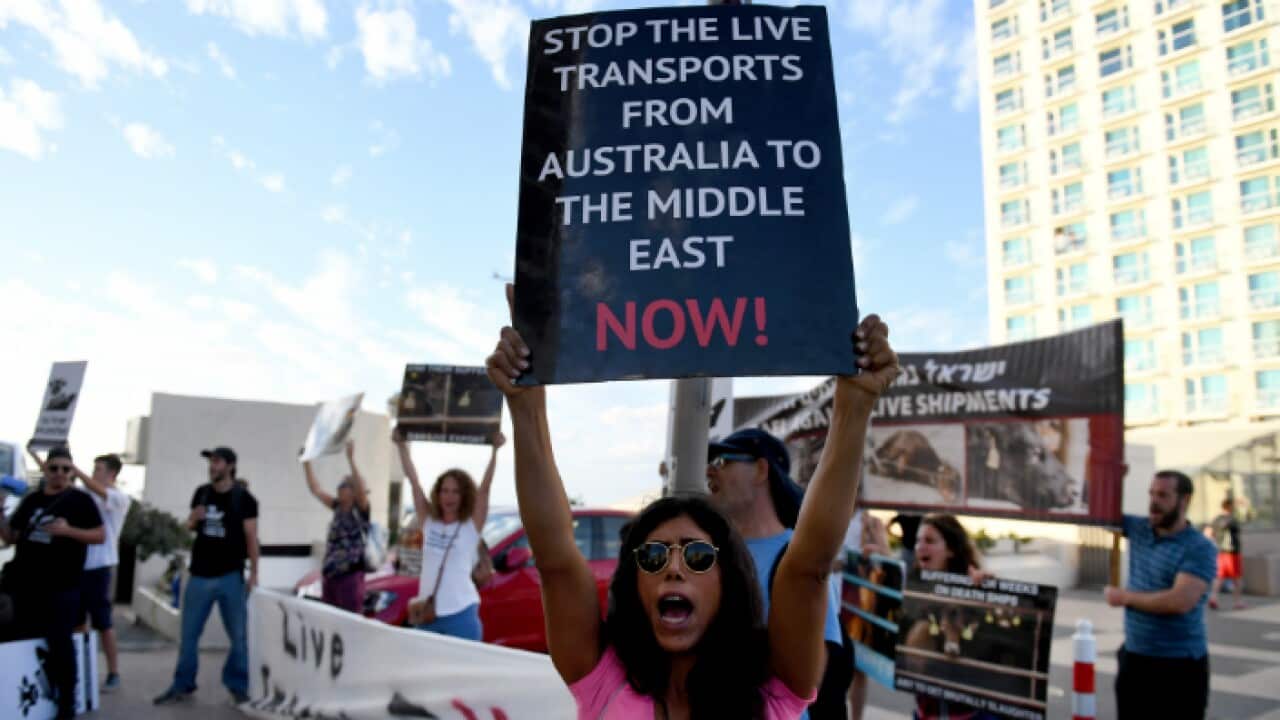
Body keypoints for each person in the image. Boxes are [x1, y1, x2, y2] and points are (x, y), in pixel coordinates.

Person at [486, 284, 898, 718]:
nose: (674, 568)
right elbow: (554, 560)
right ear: (635, 584)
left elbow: (810, 566)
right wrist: (525, 404)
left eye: (699, 555)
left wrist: (854, 405)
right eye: (653, 557)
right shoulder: (601, 677)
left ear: (729, 580)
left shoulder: (773, 686)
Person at [717, 430, 852, 720]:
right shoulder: (708, 553)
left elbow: (816, 677)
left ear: (761, 470)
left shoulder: (797, 559)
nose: (709, 470)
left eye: (722, 461)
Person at [0, 446, 105, 720]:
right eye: (54, 468)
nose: (59, 473)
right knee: (19, 639)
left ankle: (67, 704)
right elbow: (11, 537)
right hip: (24, 585)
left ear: (72, 472)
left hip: (62, 586)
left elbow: (100, 535)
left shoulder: (80, 501)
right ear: (45, 469)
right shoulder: (32, 499)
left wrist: (68, 531)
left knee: (60, 644)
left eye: (65, 469)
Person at [1105, 470, 1217, 720]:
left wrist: (1125, 597)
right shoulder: (1140, 529)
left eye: (1163, 495)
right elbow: (1099, 513)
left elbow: (1180, 601)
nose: (1154, 502)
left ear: (1184, 500)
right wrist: (1111, 479)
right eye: (1152, 494)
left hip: (1178, 668)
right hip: (1135, 659)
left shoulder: (1199, 547)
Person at [154, 446, 259, 706]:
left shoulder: (244, 499)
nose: (212, 465)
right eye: (211, 461)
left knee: (239, 636)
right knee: (189, 636)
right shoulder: (201, 493)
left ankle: (238, 685)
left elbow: (251, 538)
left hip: (230, 577)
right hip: (199, 576)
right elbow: (189, 528)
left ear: (231, 466)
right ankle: (182, 684)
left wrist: (254, 573)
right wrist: (192, 518)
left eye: (218, 461)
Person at [26, 445, 132, 693]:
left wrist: (74, 468)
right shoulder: (86, 494)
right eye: (93, 469)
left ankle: (113, 672)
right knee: (76, 622)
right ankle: (82, 670)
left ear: (112, 474)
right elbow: (58, 478)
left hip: (100, 568)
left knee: (103, 622)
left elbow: (89, 486)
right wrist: (39, 458)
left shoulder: (118, 498)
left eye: (98, 469)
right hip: (77, 567)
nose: (93, 473)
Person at [394, 428, 503, 640]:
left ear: (464, 496)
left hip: (461, 613)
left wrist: (495, 452)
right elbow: (414, 482)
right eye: (445, 490)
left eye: (455, 491)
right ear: (438, 493)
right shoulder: (429, 522)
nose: (449, 496)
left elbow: (485, 489)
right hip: (427, 613)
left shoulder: (470, 527)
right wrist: (400, 446)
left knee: (463, 673)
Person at [908, 514, 994, 720]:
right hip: (927, 711)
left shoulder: (973, 586)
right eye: (918, 540)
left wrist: (989, 590)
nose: (920, 547)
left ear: (951, 550)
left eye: (929, 541)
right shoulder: (914, 591)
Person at [303, 439, 371, 613]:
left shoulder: (360, 511)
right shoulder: (337, 507)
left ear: (354, 491)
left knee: (349, 621)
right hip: (331, 574)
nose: (340, 488)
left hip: (350, 576)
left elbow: (361, 490)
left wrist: (351, 459)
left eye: (345, 485)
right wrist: (306, 462)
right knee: (331, 620)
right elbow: (315, 489)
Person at [842, 509, 890, 720]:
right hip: (834, 595)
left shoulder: (869, 521)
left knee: (859, 667)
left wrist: (876, 547)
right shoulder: (824, 510)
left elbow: (886, 560)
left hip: (858, 597)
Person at [1207, 497, 1245, 611]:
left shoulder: (1217, 519)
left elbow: (1208, 533)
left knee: (1219, 576)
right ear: (1229, 507)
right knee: (1236, 577)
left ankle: (1213, 597)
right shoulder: (1232, 519)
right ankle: (1237, 602)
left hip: (1220, 552)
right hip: (1232, 552)